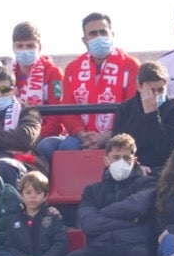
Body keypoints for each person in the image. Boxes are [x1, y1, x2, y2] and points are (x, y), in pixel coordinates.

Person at [64, 134, 158, 256]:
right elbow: (89, 224)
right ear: (106, 160)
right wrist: (131, 221)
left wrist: (102, 214)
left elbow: (136, 207)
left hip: (133, 248)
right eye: (116, 157)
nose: (121, 162)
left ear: (135, 160)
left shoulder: (148, 184)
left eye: (126, 158)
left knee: (141, 255)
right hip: (101, 249)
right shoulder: (92, 190)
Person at [40, 12, 141, 163]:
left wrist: (107, 135)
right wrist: (81, 134)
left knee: (115, 147)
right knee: (47, 146)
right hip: (80, 136)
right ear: (84, 39)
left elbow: (133, 107)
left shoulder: (131, 65)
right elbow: (67, 108)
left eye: (103, 32)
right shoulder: (72, 69)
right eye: (93, 33)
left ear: (112, 34)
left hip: (118, 135)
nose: (99, 37)